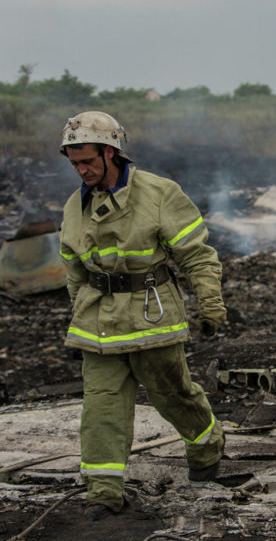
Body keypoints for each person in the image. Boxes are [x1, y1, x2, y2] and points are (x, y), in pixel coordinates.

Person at [57, 110, 226, 519]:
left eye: (88, 162)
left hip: (152, 317)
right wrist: (79, 312)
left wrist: (210, 302)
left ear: (111, 152)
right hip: (98, 325)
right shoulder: (75, 206)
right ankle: (103, 493)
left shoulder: (158, 193)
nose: (81, 171)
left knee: (175, 396)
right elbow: (73, 269)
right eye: (74, 163)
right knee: (101, 408)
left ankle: (206, 452)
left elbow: (196, 255)